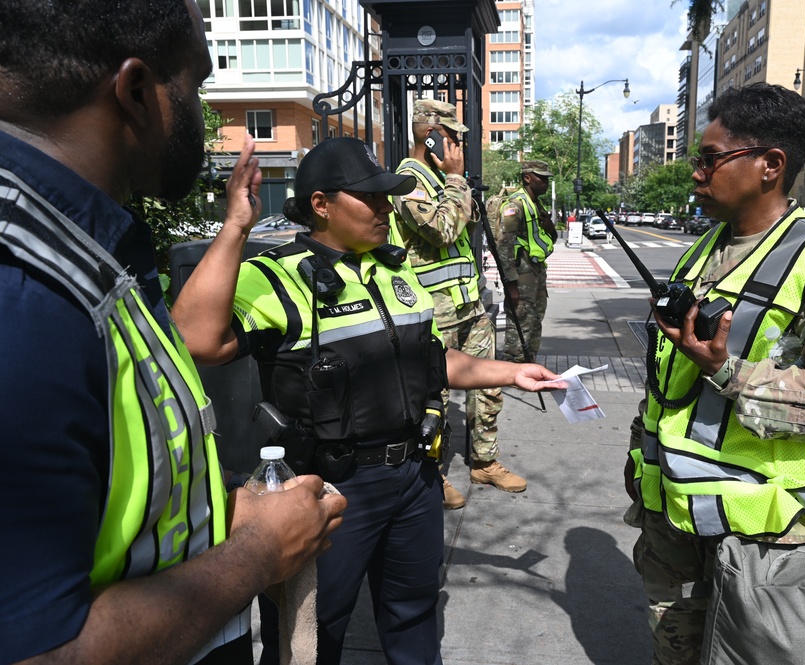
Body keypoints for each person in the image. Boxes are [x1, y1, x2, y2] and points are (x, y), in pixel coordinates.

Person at [0, 2, 346, 664]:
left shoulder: (84, 250)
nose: (204, 112)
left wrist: (219, 527)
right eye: (194, 82)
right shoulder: (23, 295)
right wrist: (257, 552)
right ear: (135, 92)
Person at [170, 136, 564, 664]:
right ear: (321, 204)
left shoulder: (394, 270)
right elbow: (195, 339)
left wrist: (514, 372)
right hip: (330, 487)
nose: (385, 208)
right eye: (370, 198)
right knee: (313, 633)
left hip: (412, 478)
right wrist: (236, 227)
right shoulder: (278, 276)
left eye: (387, 197)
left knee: (413, 615)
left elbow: (433, 362)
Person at [623, 83, 805, 664]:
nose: (695, 173)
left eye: (709, 159)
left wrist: (730, 373)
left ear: (770, 166)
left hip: (769, 539)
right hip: (681, 518)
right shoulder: (712, 245)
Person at [391, 99, 524, 504]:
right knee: (437, 398)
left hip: (470, 304)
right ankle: (432, 474)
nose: (457, 148)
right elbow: (443, 230)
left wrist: (457, 183)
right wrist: (455, 178)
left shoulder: (441, 180)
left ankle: (485, 463)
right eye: (451, 137)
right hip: (436, 312)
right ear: (430, 135)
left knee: (489, 387)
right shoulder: (407, 182)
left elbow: (467, 232)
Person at [496, 160, 558, 363]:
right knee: (520, 319)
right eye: (542, 178)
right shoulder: (515, 205)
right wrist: (511, 283)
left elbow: (547, 238)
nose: (546, 183)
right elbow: (504, 244)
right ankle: (514, 365)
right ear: (527, 178)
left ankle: (529, 361)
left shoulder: (536, 205)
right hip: (521, 274)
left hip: (536, 270)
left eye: (547, 179)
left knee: (535, 318)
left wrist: (550, 227)